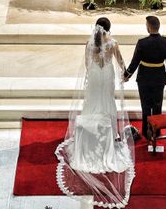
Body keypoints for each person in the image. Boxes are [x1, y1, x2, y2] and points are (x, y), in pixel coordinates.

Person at [55, 17, 135, 208]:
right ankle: (111, 134)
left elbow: (86, 63)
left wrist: (92, 73)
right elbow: (121, 62)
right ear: (109, 29)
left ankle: (91, 132)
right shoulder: (113, 43)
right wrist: (125, 73)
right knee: (108, 102)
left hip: (95, 77)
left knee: (91, 103)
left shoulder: (90, 43)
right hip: (107, 76)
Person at [124, 15, 166, 139]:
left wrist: (127, 74)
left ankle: (146, 131)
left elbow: (135, 62)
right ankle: (156, 131)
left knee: (145, 106)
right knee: (157, 105)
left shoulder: (142, 43)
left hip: (144, 77)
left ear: (149, 27)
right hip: (159, 77)